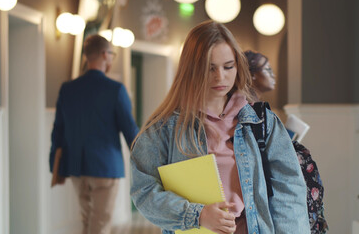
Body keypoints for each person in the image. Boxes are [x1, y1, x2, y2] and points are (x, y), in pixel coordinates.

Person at [130, 20, 309, 234]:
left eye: (228, 66)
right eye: (210, 68)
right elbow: (144, 191)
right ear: (191, 70)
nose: (220, 77)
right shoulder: (164, 128)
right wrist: (198, 215)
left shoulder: (262, 121)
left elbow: (289, 192)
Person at [49, 34, 139, 234]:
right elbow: (130, 130)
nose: (111, 59)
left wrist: (55, 164)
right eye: (112, 54)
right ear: (104, 54)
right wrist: (147, 158)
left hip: (76, 166)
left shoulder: (68, 89)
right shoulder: (115, 89)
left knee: (87, 220)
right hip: (105, 167)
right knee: (100, 224)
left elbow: (58, 129)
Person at [244, 50, 328, 233]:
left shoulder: (266, 113)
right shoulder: (247, 113)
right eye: (267, 70)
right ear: (252, 75)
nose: (273, 75)